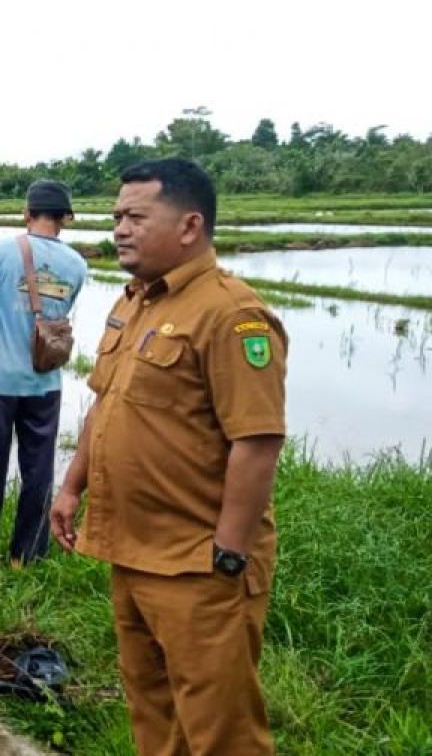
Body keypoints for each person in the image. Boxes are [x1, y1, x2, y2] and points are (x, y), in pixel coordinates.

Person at [50, 159, 287, 754]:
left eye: (136, 217)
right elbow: (106, 404)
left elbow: (256, 442)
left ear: (189, 226)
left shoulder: (232, 314)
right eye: (116, 217)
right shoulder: (134, 303)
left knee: (220, 732)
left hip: (197, 564)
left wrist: (228, 553)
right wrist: (71, 486)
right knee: (153, 716)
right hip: (132, 550)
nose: (120, 229)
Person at [0, 180, 87, 574]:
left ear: (27, 213)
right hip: (46, 383)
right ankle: (27, 556)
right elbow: (58, 321)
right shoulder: (77, 264)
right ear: (65, 219)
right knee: (38, 470)